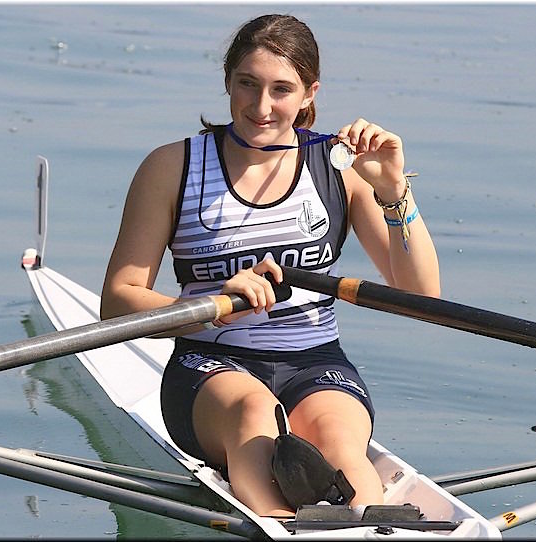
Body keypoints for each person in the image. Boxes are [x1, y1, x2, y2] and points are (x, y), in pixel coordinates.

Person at [101, 13, 440, 518]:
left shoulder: (341, 169)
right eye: (247, 84)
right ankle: (279, 523)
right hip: (210, 364)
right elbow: (117, 301)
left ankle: (368, 525)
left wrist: (392, 191)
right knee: (255, 413)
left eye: (281, 90)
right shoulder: (172, 167)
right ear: (227, 82)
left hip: (316, 361)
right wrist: (211, 305)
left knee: (336, 438)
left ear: (309, 94)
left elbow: (422, 300)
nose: (261, 107)